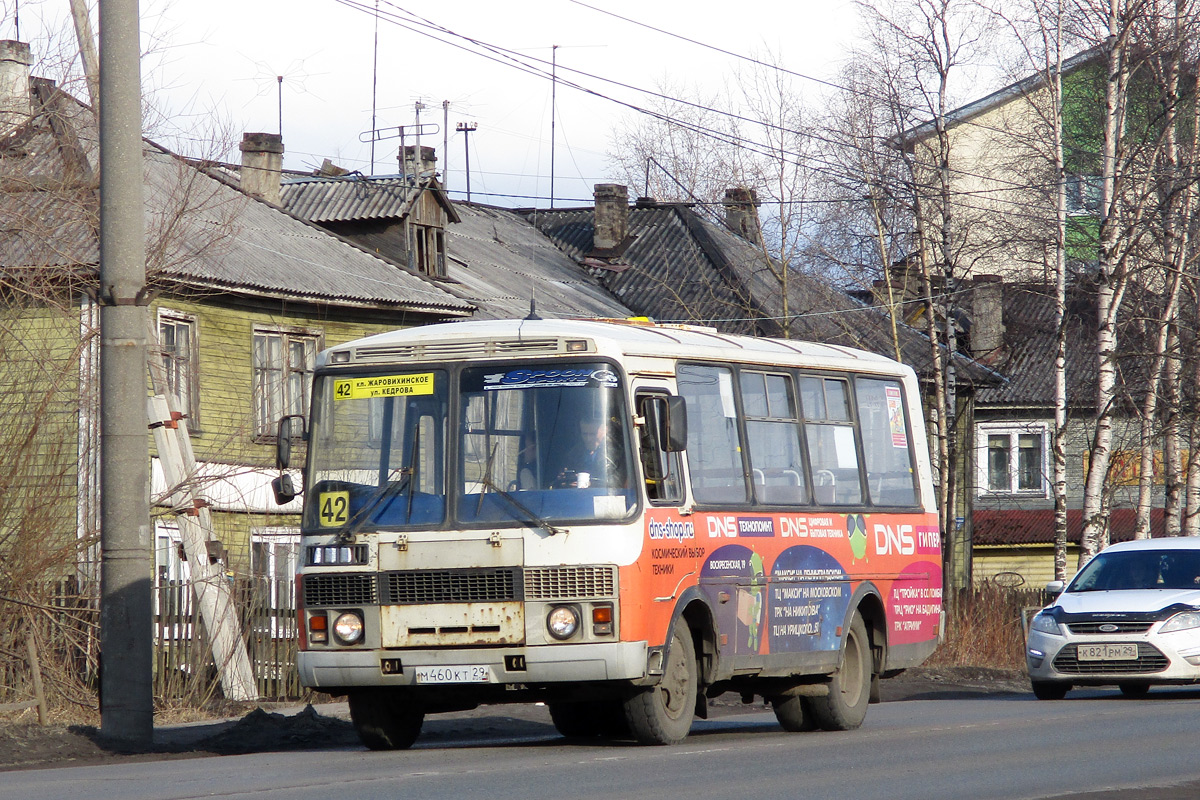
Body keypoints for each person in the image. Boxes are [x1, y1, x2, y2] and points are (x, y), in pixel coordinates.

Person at [553, 415, 626, 489]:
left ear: (605, 431)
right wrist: (565, 480)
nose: (588, 439)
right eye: (584, 434)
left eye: (593, 434)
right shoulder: (573, 455)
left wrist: (592, 484)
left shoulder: (615, 455)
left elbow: (617, 484)